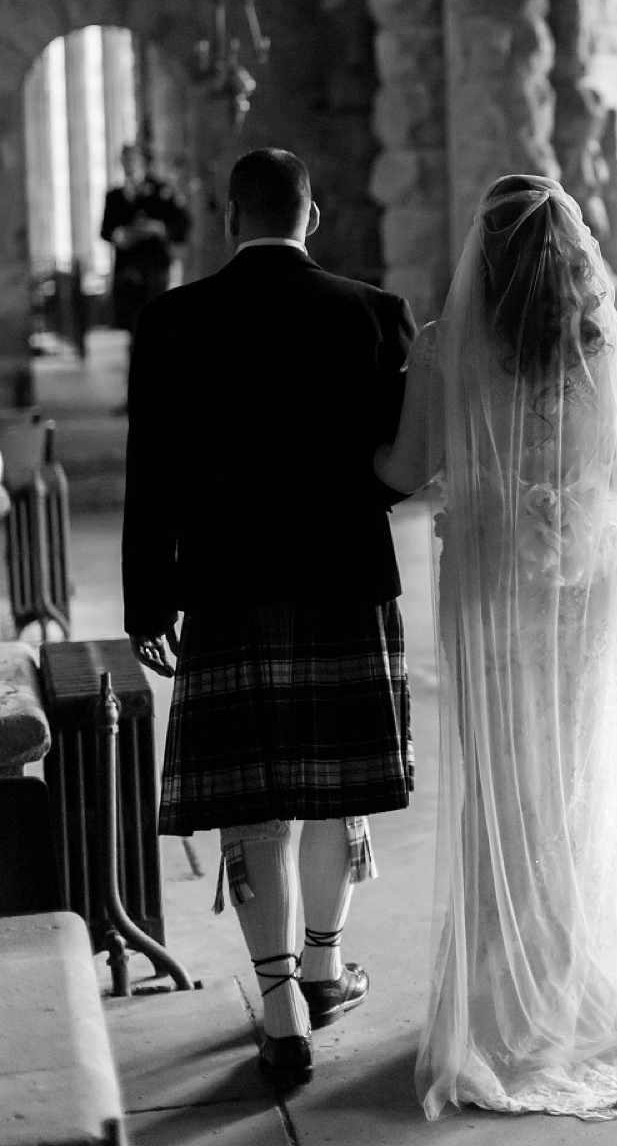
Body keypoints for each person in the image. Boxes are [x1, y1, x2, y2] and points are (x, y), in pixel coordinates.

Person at [376, 173, 617, 1120]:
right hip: (588, 590)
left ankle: (511, 1001)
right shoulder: (604, 343)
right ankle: (581, 983)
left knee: (506, 784)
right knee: (578, 785)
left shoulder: (444, 350)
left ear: (482, 258)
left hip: (497, 589)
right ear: (570, 249)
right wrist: (569, 491)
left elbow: (405, 471)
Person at [122, 148, 417, 1091]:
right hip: (341, 582)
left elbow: (150, 474)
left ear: (225, 216)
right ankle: (328, 966)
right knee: (335, 788)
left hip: (226, 587)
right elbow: (393, 463)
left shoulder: (171, 323)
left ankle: (283, 1003)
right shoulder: (374, 315)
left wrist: (146, 599)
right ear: (314, 215)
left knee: (257, 798)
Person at [101, 144, 190, 385]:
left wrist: (157, 228)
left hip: (155, 269)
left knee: (155, 327)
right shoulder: (115, 195)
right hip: (128, 271)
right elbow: (106, 230)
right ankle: (136, 388)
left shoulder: (161, 191)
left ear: (143, 161)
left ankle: (160, 383)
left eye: (134, 159)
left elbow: (180, 225)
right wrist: (121, 235)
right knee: (133, 330)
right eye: (125, 160)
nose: (130, 165)